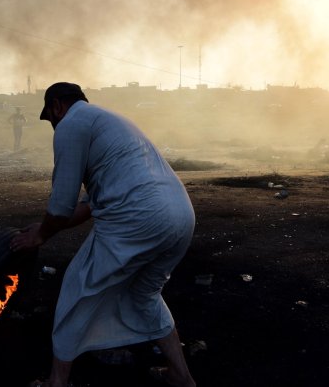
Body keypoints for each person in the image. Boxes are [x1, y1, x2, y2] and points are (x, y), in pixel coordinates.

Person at [11, 83, 197, 387]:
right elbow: (88, 206)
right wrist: (45, 229)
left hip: (139, 216)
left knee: (75, 289)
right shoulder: (108, 120)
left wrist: (40, 235)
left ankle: (57, 381)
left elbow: (61, 205)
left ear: (57, 106)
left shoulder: (71, 124)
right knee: (144, 295)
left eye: (51, 119)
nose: (53, 126)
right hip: (180, 215)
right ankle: (181, 376)